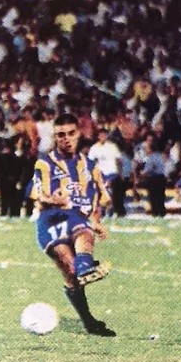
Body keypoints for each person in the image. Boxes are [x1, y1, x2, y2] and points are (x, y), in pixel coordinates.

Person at [30, 113, 115, 337]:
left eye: (70, 133)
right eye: (60, 135)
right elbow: (39, 196)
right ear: (54, 137)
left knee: (84, 229)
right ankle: (84, 271)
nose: (65, 139)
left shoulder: (90, 167)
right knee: (69, 269)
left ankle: (85, 267)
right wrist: (54, 199)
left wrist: (96, 221)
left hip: (77, 219)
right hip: (50, 221)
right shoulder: (45, 163)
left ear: (79, 134)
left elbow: (101, 199)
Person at [87, 129, 123, 217]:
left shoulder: (112, 147)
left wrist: (120, 173)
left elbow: (119, 160)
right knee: (102, 192)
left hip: (112, 172)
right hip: (101, 173)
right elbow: (91, 162)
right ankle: (103, 212)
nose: (103, 137)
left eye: (104, 135)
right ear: (98, 136)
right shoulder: (94, 148)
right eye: (101, 135)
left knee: (111, 192)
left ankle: (114, 211)